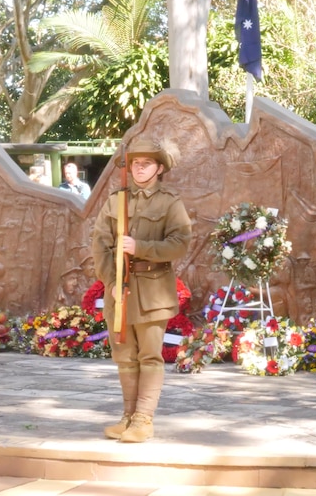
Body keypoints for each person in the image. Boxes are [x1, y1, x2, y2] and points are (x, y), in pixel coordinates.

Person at [92, 137, 191, 443]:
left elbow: (180, 243)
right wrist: (111, 283)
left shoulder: (170, 203)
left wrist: (141, 247)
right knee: (124, 356)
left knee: (149, 356)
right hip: (119, 291)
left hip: (152, 291)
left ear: (159, 168)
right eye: (135, 163)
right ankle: (128, 417)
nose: (139, 168)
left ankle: (144, 419)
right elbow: (100, 245)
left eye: (146, 163)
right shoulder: (115, 201)